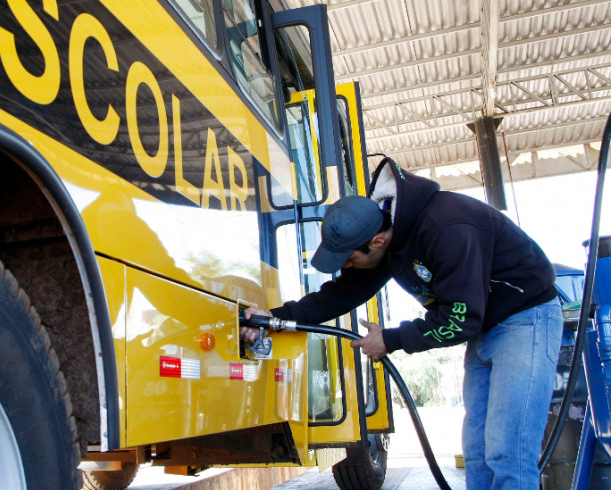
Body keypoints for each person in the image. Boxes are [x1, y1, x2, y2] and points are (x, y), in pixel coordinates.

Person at [241, 157, 562, 490]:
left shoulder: (447, 228)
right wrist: (273, 318)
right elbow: (338, 296)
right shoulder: (390, 238)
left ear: (376, 242)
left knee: (507, 452)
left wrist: (391, 340)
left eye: (349, 258)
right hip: (484, 328)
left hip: (525, 320)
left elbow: (461, 317)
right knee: (479, 453)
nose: (347, 267)